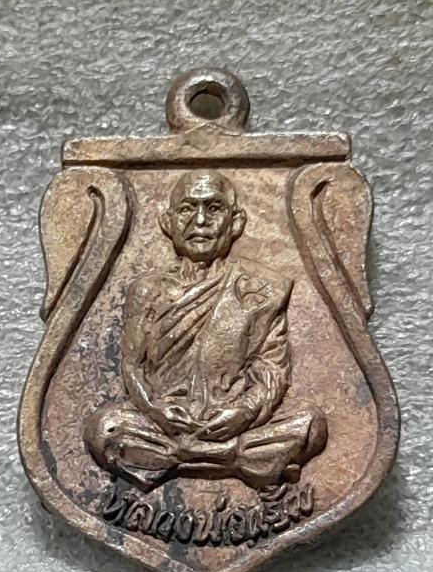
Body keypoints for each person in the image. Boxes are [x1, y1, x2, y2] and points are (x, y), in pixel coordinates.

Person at [85, 170, 327, 492]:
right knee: (105, 429)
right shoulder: (146, 291)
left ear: (236, 223)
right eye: (187, 208)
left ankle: (179, 459)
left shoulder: (264, 290)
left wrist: (243, 412)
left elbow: (271, 371)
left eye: (213, 208)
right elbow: (132, 367)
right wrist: (155, 410)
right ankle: (235, 461)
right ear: (167, 222)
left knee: (311, 425)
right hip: (164, 425)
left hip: (232, 423)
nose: (200, 221)